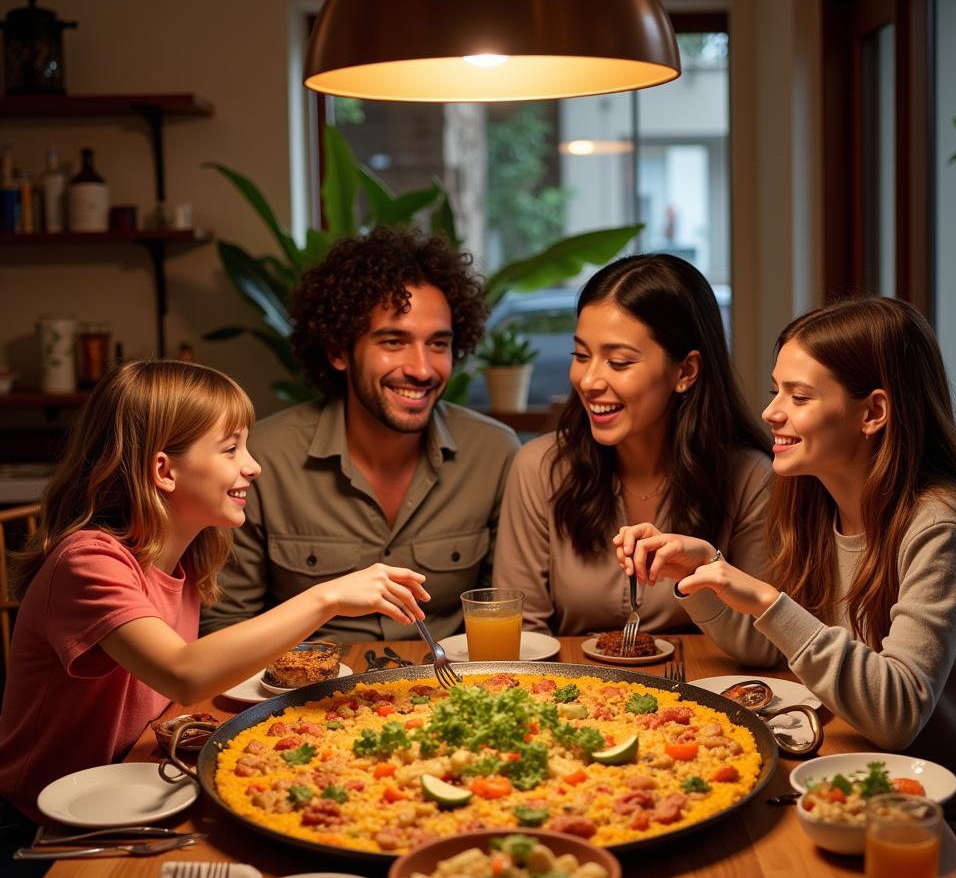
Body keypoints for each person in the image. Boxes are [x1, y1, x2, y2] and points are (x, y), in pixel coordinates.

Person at [617, 296, 956, 855]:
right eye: (775, 389)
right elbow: (775, 648)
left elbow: (895, 712)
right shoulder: (820, 503)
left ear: (873, 412)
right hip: (864, 793)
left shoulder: (940, 525)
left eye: (798, 395)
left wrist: (761, 596)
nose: (770, 412)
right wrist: (705, 574)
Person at [0, 359, 430, 828]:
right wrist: (325, 597)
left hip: (138, 788)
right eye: (230, 449)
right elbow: (184, 675)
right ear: (164, 470)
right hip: (43, 826)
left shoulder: (180, 557)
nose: (253, 465)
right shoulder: (87, 562)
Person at [201, 227, 520, 646]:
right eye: (394, 341)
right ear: (337, 350)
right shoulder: (264, 459)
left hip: (451, 690)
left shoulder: (493, 454)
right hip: (311, 697)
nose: (422, 369)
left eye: (438, 343)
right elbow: (225, 626)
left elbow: (505, 610)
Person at [493, 252, 778, 665]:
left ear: (686, 371)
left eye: (619, 362)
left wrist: (694, 575)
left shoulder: (751, 477)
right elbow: (521, 637)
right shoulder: (539, 468)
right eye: (581, 355)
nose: (589, 381)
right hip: (574, 699)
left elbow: (763, 646)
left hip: (700, 698)